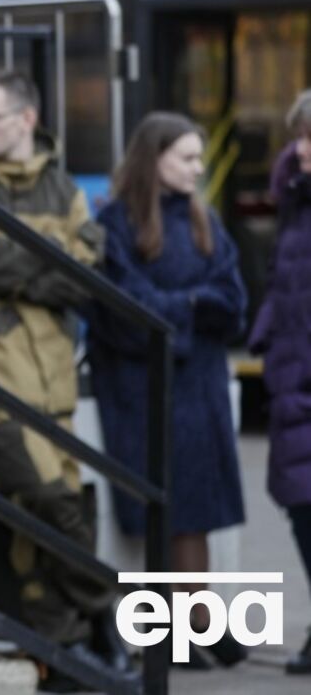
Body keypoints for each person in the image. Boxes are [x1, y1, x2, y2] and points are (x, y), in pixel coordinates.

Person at [0, 69, 120, 685]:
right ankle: (111, 616)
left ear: (26, 120)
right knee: (50, 505)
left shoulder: (62, 186)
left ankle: (67, 653)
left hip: (53, 382)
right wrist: (49, 254)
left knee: (38, 532)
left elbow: (86, 272)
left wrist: (22, 254)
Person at [88, 111, 248, 671]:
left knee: (193, 512)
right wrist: (195, 308)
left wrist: (184, 309)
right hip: (143, 390)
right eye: (186, 157)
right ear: (152, 160)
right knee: (161, 511)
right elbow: (129, 312)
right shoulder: (115, 224)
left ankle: (186, 629)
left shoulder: (208, 223)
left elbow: (234, 301)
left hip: (197, 387)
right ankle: (189, 627)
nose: (198, 169)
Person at [250, 90, 311, 674]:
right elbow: (283, 280)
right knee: (300, 507)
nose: (302, 148)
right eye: (301, 136)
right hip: (293, 378)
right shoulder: (295, 199)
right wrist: (266, 334)